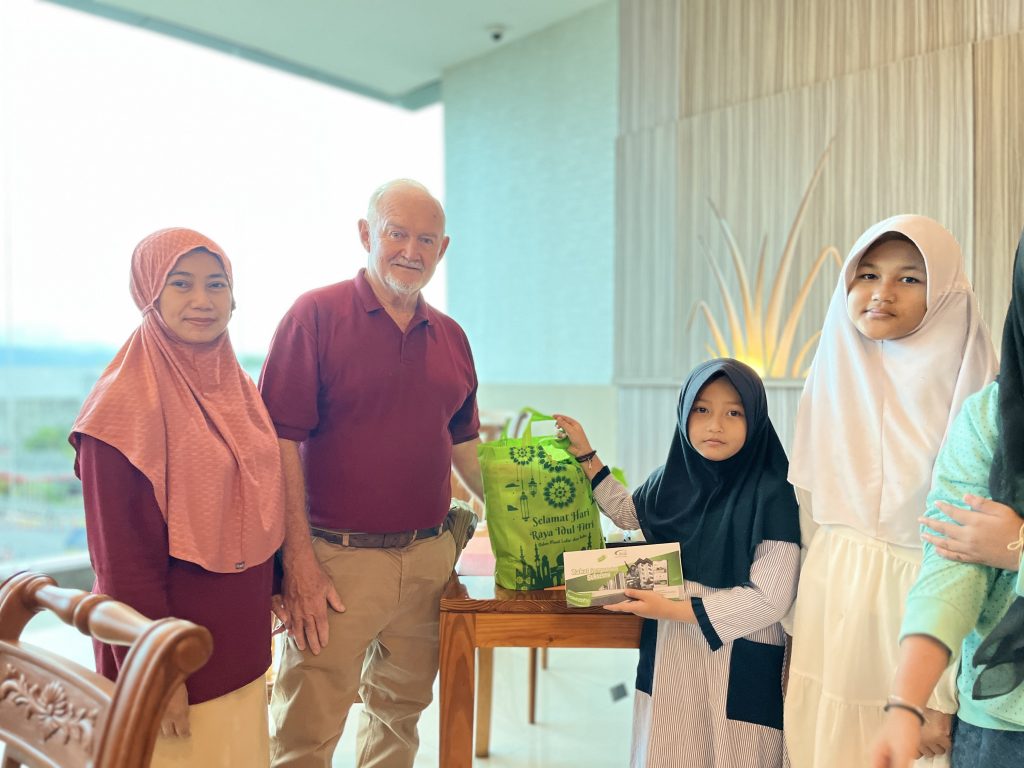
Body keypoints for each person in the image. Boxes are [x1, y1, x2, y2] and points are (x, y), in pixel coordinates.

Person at [260, 179, 483, 767]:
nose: (411, 250)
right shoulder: (314, 315)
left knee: (399, 717)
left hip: (430, 557)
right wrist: (297, 562)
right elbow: (278, 443)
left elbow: (466, 447)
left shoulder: (452, 338)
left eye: (426, 240)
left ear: (443, 249)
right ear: (366, 234)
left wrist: (530, 520)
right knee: (306, 731)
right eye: (396, 234)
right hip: (336, 563)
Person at [784, 215, 998, 767]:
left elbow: (972, 547)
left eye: (909, 278)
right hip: (833, 589)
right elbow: (808, 513)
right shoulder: (832, 372)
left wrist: (940, 693)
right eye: (868, 274)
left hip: (920, 595)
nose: (882, 292)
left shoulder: (973, 388)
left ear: (945, 292)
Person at [70, 228, 285, 767]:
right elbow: (121, 565)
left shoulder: (238, 389)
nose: (203, 300)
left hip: (240, 648)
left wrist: (277, 588)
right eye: (181, 283)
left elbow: (261, 503)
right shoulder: (120, 412)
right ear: (150, 293)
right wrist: (158, 674)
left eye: (217, 284)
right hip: (173, 666)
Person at [554, 358, 802, 768]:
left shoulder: (774, 492)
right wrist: (587, 457)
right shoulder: (671, 478)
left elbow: (770, 600)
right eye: (702, 409)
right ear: (685, 413)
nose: (715, 425)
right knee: (671, 747)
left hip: (736, 652)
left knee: (735, 753)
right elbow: (628, 514)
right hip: (673, 647)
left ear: (755, 418)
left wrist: (672, 608)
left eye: (734, 413)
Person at [870, 228, 1024, 768]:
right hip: (998, 722)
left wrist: (1017, 548)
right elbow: (953, 561)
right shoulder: (991, 416)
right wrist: (905, 704)